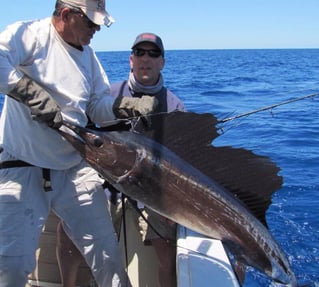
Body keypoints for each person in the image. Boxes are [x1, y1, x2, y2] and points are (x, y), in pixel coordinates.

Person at [0, 1, 157, 286]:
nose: (97, 28)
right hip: (23, 166)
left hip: (74, 168)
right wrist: (28, 92)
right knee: (11, 269)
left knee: (109, 260)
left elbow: (97, 106)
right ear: (65, 15)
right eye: (90, 22)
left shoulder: (90, 57)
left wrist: (125, 106)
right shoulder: (29, 35)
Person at [56, 32, 186, 287]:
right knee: (68, 230)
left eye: (153, 53)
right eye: (139, 53)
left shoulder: (175, 106)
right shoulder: (109, 95)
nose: (145, 59)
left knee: (168, 248)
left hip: (151, 191)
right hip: (107, 183)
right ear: (130, 60)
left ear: (162, 62)